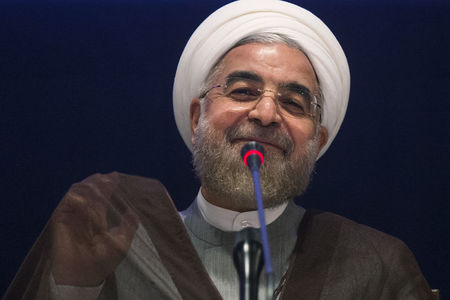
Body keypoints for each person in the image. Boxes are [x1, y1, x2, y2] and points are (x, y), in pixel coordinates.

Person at [4, 0, 432, 299]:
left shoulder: (374, 263)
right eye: (243, 90)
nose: (266, 113)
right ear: (197, 117)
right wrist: (73, 286)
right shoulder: (118, 247)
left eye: (293, 102)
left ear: (317, 142)